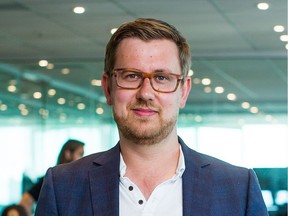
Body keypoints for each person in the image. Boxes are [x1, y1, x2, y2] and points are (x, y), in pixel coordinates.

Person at [35, 18, 268, 215]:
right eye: (131, 76)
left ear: (183, 91)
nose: (146, 93)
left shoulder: (238, 189)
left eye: (162, 78)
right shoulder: (63, 187)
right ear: (108, 88)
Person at [20, 139, 85, 215]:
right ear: (68, 154)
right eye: (80, 154)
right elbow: (25, 200)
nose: (83, 158)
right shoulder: (52, 179)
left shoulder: (79, 179)